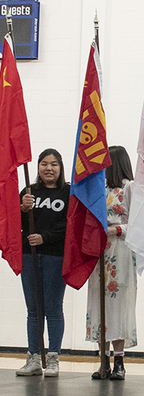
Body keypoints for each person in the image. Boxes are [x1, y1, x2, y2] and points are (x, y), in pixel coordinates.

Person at [16, 148, 70, 377]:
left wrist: (45, 237)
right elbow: (14, 224)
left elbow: (69, 224)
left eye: (54, 164)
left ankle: (54, 358)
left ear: (60, 167)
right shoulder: (28, 192)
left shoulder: (68, 192)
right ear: (38, 167)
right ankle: (34, 357)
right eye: (44, 164)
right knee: (33, 310)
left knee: (53, 309)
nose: (49, 168)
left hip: (55, 256)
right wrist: (22, 208)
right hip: (29, 256)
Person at [86, 145, 137, 380]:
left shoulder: (129, 187)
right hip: (98, 251)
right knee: (99, 303)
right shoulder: (98, 188)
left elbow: (138, 223)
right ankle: (102, 360)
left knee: (118, 305)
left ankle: (119, 361)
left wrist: (116, 229)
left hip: (120, 249)